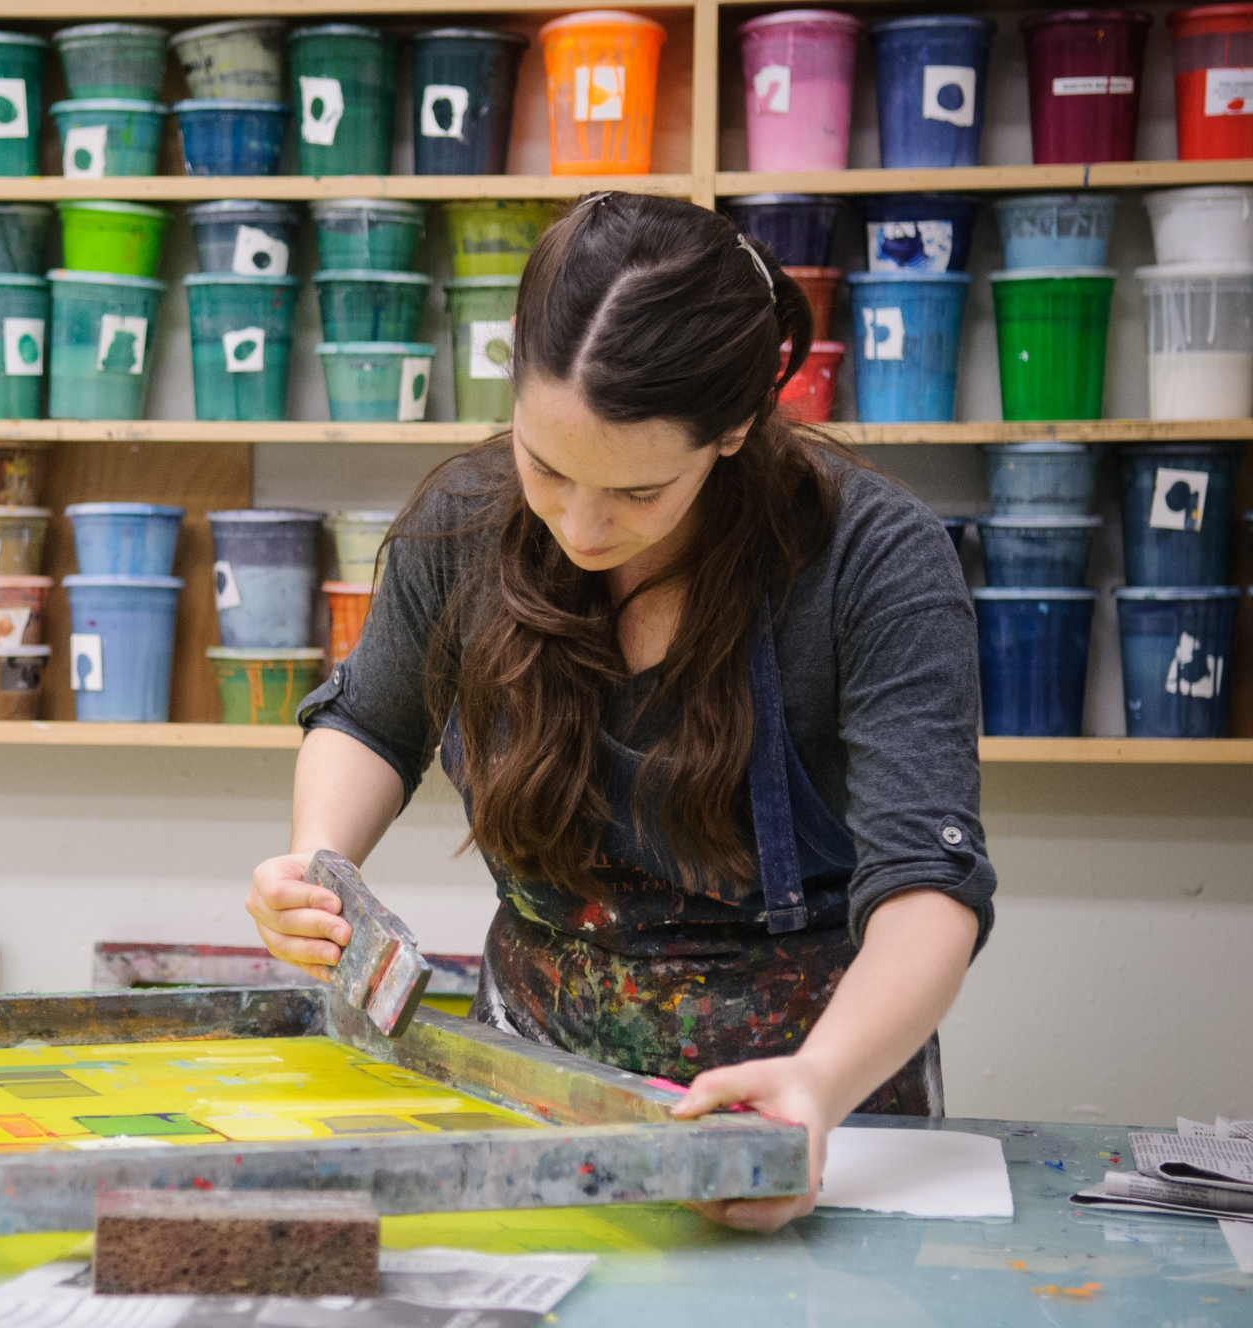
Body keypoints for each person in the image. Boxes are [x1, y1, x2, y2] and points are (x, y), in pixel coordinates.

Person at [244, 192, 993, 1233]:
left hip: (802, 1118)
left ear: (731, 427)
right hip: (524, 1098)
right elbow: (370, 722)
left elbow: (927, 886)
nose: (581, 523)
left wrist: (816, 1084)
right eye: (545, 465)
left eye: (637, 491)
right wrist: (316, 861)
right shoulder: (458, 529)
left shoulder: (869, 561)